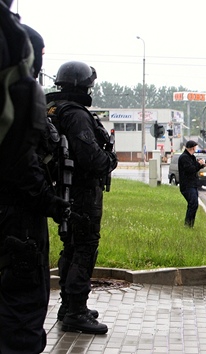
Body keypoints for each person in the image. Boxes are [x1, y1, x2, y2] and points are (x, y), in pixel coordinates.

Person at [0, 8, 68, 353]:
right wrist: (52, 202)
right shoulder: (19, 94)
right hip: (18, 219)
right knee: (21, 310)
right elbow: (22, 164)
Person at [46, 61, 118, 335]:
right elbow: (92, 158)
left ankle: (69, 307)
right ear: (81, 86)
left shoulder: (53, 109)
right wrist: (110, 160)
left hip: (65, 190)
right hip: (82, 192)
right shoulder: (75, 114)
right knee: (84, 248)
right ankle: (75, 311)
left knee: (72, 247)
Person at [178, 140, 206, 227]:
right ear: (192, 147)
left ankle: (190, 224)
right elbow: (190, 169)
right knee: (193, 203)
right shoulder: (184, 158)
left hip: (193, 184)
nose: (196, 149)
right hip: (187, 185)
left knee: (194, 204)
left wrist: (202, 165)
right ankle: (187, 224)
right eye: (195, 147)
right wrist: (198, 164)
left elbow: (195, 167)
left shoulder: (192, 157)